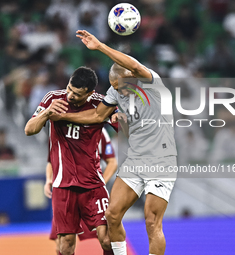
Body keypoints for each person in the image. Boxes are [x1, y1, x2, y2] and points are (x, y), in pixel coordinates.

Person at [52, 30, 177, 255]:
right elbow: (97, 116)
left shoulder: (150, 81)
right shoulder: (116, 89)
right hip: (136, 160)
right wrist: (62, 116)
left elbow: (136, 66)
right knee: (112, 214)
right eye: (114, 88)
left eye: (120, 86)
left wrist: (100, 47)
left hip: (161, 161)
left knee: (151, 221)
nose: (118, 92)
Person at [24, 66, 116, 255]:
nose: (70, 95)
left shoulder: (101, 104)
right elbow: (29, 129)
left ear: (90, 93)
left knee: (107, 238)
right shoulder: (53, 98)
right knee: (65, 246)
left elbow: (124, 125)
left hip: (93, 183)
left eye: (77, 94)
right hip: (63, 184)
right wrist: (47, 113)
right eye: (69, 89)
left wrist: (120, 117)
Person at [45, 127, 118, 254]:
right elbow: (52, 158)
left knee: (107, 238)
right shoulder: (59, 127)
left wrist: (101, 182)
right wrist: (48, 179)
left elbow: (112, 161)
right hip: (65, 190)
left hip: (92, 192)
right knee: (63, 245)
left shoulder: (98, 129)